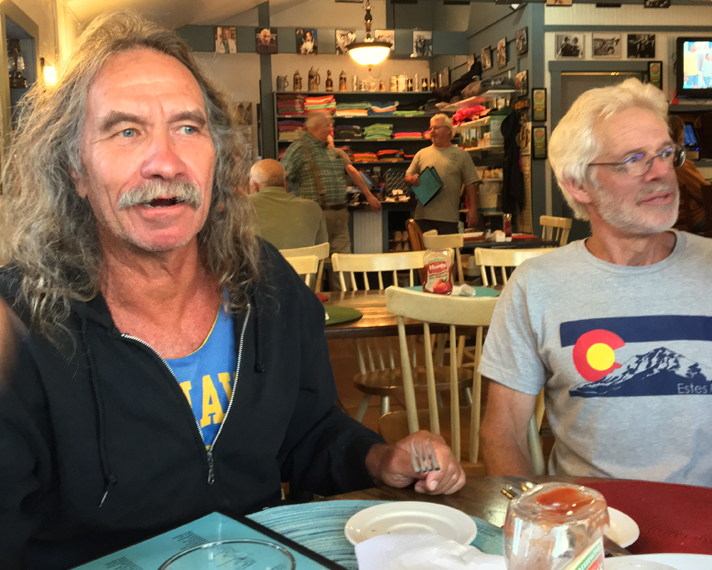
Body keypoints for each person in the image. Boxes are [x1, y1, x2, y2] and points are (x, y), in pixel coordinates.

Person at [0, 13, 466, 569]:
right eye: (126, 131)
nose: (165, 161)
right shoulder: (21, 322)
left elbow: (309, 430)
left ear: (216, 159)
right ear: (74, 168)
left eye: (188, 128)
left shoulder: (262, 280)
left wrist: (377, 456)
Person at [478, 78, 712, 499]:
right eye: (634, 159)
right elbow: (502, 430)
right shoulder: (535, 285)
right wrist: (538, 520)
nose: (664, 171)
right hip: (595, 529)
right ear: (578, 184)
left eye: (666, 153)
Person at [282, 111, 357, 258]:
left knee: (343, 262)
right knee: (315, 261)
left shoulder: (329, 149)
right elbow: (282, 176)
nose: (331, 128)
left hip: (339, 214)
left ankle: (343, 282)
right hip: (314, 214)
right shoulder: (299, 148)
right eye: (328, 125)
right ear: (317, 127)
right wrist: (290, 204)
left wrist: (341, 206)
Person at [404, 114, 480, 234]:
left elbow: (471, 183)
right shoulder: (421, 154)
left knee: (448, 252)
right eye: (431, 128)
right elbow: (407, 177)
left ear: (448, 130)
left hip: (448, 218)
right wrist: (412, 179)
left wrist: (473, 210)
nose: (432, 131)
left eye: (436, 128)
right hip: (423, 217)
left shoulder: (461, 155)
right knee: (424, 252)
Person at [248, 159, 328, 249]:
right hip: (302, 263)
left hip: (263, 263)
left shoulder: (242, 206)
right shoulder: (313, 208)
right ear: (285, 184)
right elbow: (322, 247)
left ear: (254, 186)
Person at [667, 115, 708, 231]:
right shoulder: (680, 164)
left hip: (670, 221)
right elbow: (705, 193)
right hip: (692, 220)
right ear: (680, 138)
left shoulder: (658, 162)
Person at [327, 135, 382, 213]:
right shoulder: (337, 153)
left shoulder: (311, 155)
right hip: (335, 203)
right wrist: (369, 196)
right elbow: (351, 171)